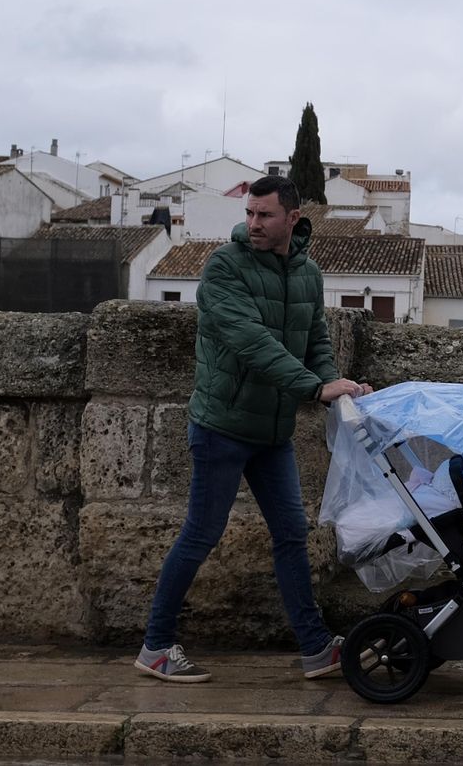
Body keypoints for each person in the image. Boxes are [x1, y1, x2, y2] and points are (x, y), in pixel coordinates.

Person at [135, 174, 373, 683]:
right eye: (249, 213)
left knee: (292, 533)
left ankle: (315, 648)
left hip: (272, 432)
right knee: (201, 533)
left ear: (293, 217)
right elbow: (250, 341)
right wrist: (314, 388)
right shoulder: (225, 266)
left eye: (265, 215)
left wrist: (338, 386)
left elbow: (316, 341)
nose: (254, 223)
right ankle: (155, 646)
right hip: (221, 426)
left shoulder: (307, 272)